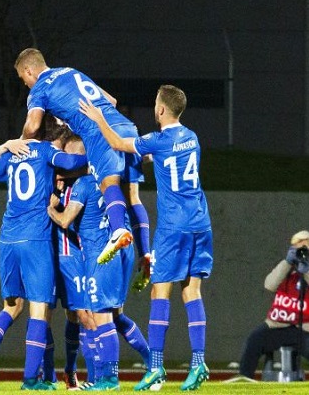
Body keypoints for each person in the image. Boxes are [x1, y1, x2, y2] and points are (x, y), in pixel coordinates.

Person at [79, 84, 213, 391]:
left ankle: (155, 368)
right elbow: (164, 159)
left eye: (155, 104)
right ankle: (198, 362)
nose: (154, 109)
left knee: (159, 293)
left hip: (174, 226)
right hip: (200, 223)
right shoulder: (191, 138)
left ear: (162, 109)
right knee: (192, 292)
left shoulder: (158, 139)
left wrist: (99, 118)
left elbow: (117, 142)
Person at [0, 131, 87, 390]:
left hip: (8, 239)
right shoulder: (48, 151)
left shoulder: (15, 151)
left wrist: (5, 145)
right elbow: (69, 163)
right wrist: (95, 158)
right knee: (39, 310)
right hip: (35, 239)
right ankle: (30, 380)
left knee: (11, 307)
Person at [14, 48, 151, 266]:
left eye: (23, 79)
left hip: (99, 131)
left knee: (109, 183)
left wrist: (21, 142)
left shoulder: (40, 88)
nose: (26, 84)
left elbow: (32, 126)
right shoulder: (71, 72)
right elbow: (112, 100)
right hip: (126, 126)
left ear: (28, 71)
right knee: (132, 196)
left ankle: (118, 231)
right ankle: (145, 253)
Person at [47, 136, 149, 391]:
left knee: (99, 317)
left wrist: (51, 209)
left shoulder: (82, 184)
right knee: (114, 315)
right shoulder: (108, 181)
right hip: (121, 249)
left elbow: (64, 221)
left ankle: (108, 379)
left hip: (100, 254)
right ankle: (151, 363)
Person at [238, 230, 309, 381]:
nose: (300, 252)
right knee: (253, 341)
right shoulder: (286, 266)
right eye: (296, 248)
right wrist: (286, 263)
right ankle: (243, 381)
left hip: (308, 327)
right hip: (277, 324)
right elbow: (269, 284)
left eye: (304, 248)